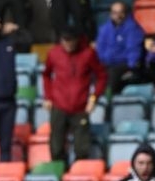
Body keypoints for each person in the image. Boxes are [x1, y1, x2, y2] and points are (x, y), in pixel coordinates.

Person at [42, 26, 107, 164]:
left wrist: (94, 97)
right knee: (56, 146)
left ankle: (79, 176)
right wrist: (48, 97)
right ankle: (60, 176)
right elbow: (46, 75)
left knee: (82, 148)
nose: (68, 44)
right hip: (59, 105)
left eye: (71, 41)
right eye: (65, 41)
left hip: (81, 106)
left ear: (77, 40)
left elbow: (101, 76)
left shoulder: (88, 54)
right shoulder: (54, 53)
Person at [95, 1, 145, 95]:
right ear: (110, 14)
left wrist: (132, 67)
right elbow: (100, 48)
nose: (118, 16)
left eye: (120, 12)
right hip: (106, 63)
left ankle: (107, 99)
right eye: (115, 13)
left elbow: (133, 50)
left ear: (125, 13)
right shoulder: (104, 29)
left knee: (112, 74)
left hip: (123, 63)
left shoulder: (132, 28)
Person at [0, 11, 18, 163]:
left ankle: (4, 176)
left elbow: (27, 40)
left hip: (8, 101)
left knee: (5, 144)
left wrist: (5, 30)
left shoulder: (8, 40)